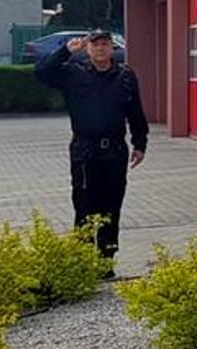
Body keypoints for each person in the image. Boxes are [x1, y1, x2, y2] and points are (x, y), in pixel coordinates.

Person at [35, 29, 148, 269]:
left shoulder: (125, 75)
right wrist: (65, 50)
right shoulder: (73, 73)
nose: (100, 48)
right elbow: (42, 72)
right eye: (95, 44)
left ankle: (106, 260)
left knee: (111, 206)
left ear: (111, 48)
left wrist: (140, 143)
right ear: (88, 48)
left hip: (115, 150)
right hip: (85, 149)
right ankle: (83, 261)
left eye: (105, 44)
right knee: (84, 205)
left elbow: (136, 112)